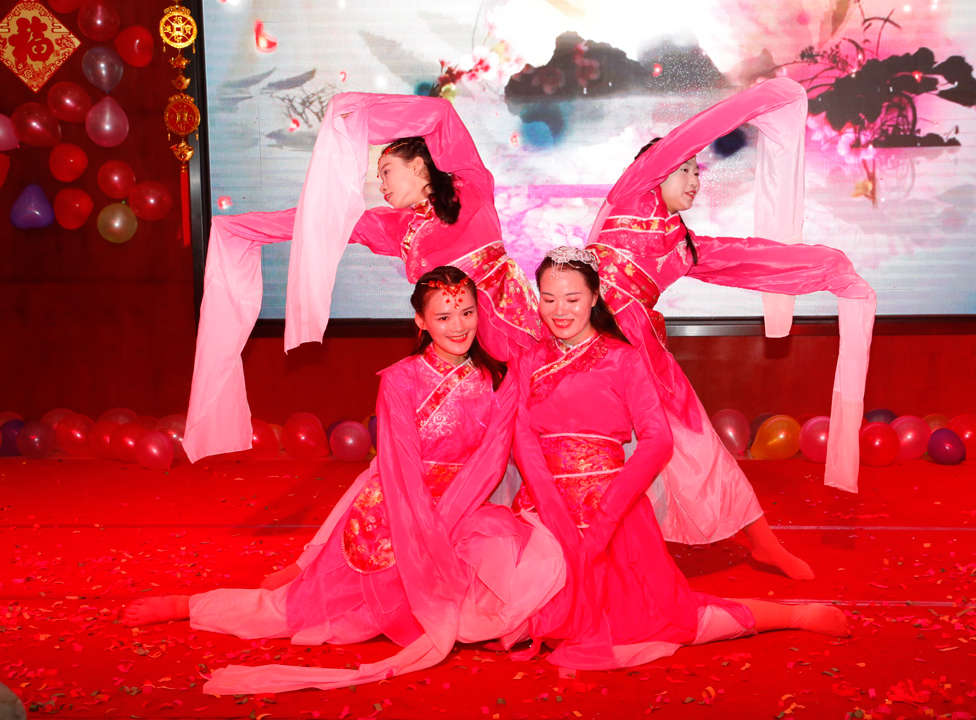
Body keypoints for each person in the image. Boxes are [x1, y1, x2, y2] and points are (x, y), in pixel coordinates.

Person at [123, 267, 564, 694]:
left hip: (464, 508)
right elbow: (400, 463)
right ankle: (189, 605)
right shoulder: (400, 380)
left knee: (522, 556)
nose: (459, 326)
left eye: (466, 313)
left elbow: (490, 461)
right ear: (421, 321)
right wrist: (425, 531)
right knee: (298, 613)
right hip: (395, 511)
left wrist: (445, 522)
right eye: (444, 316)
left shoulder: (496, 380)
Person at [583, 77, 878, 578]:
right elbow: (695, 133)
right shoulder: (633, 191)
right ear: (653, 169)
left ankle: (763, 544)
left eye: (698, 171)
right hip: (588, 344)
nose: (694, 180)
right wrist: (763, 99)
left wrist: (830, 268)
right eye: (684, 169)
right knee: (579, 447)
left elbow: (748, 259)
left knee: (700, 449)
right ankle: (591, 551)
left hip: (643, 354)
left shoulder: (683, 245)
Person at [510, 248, 850, 671]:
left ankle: (792, 616)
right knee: (519, 616)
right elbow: (521, 435)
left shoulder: (623, 359)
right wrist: (549, 505)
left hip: (611, 511)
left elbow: (657, 440)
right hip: (542, 513)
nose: (559, 310)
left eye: (572, 298)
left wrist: (606, 517)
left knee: (660, 621)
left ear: (594, 297)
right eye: (548, 298)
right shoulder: (528, 360)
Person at [184, 93, 544, 462]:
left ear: (418, 165)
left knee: (529, 424)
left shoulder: (471, 187)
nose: (381, 185)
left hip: (507, 325)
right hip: (451, 340)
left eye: (386, 171)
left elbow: (440, 114)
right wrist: (238, 227)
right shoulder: (394, 226)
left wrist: (354, 117)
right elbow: (313, 219)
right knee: (463, 441)